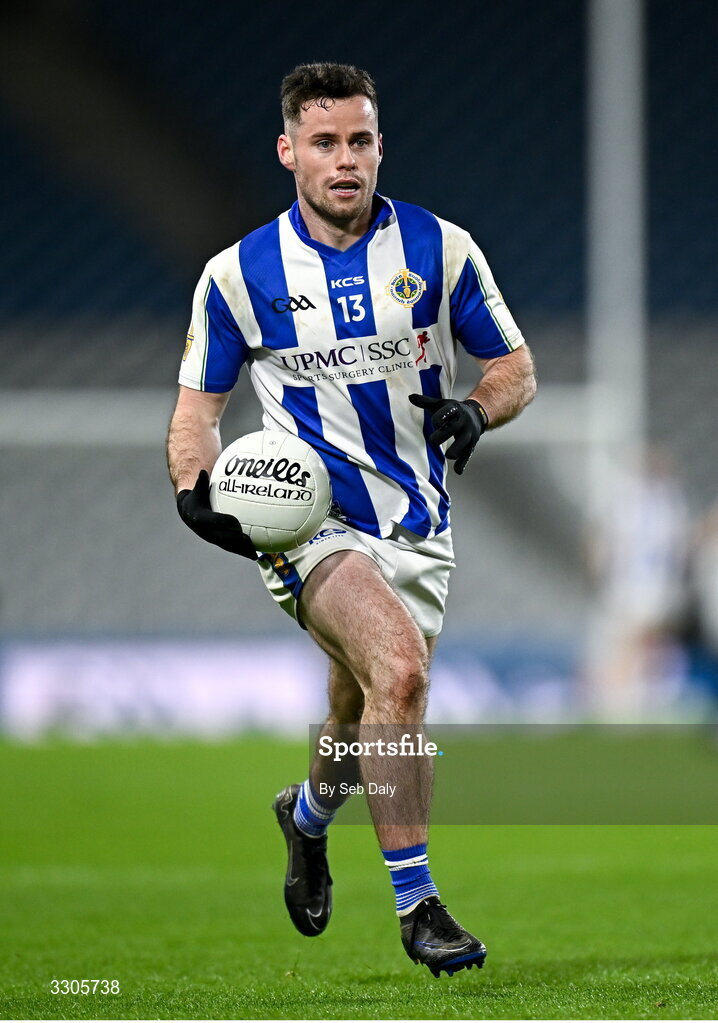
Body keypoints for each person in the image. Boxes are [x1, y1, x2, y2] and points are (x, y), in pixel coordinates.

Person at [167, 62, 536, 978]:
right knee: (402, 675)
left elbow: (515, 367)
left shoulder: (439, 250)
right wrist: (194, 493)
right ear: (289, 150)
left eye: (360, 141)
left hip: (418, 522)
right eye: (325, 142)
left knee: (358, 707)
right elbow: (196, 416)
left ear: (381, 147)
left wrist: (476, 409)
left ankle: (306, 816)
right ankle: (420, 907)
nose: (345, 160)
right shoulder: (238, 274)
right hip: (308, 521)